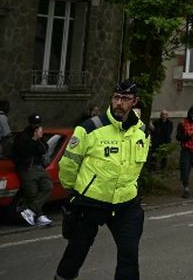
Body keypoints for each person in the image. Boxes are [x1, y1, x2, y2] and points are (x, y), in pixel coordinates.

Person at [55, 80, 150, 280]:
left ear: (135, 101)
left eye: (125, 99)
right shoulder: (90, 128)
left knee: (129, 255)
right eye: (116, 97)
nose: (119, 103)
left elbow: (137, 167)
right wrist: (74, 191)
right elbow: (68, 164)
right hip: (91, 201)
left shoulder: (142, 131)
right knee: (76, 251)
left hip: (126, 204)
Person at [12, 114, 54, 226]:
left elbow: (44, 149)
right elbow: (25, 151)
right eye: (35, 124)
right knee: (32, 192)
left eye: (39, 124)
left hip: (39, 167)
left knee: (48, 186)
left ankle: (30, 211)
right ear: (30, 123)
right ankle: (39, 215)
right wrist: (34, 139)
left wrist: (38, 139)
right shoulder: (22, 136)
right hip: (27, 167)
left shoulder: (40, 136)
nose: (37, 126)